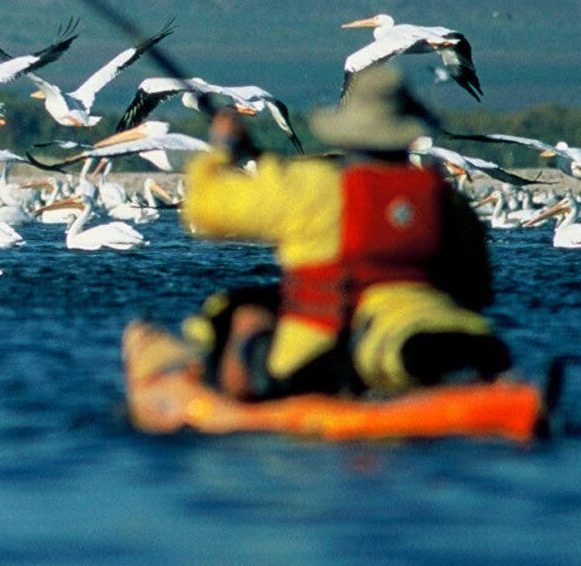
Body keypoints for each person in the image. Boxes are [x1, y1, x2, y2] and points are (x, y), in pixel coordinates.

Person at [181, 65, 510, 399]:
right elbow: (477, 289)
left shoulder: (312, 188)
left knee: (238, 313)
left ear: (348, 131)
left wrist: (222, 149)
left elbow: (203, 207)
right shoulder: (442, 198)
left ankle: (237, 401)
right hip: (431, 327)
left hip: (325, 357)